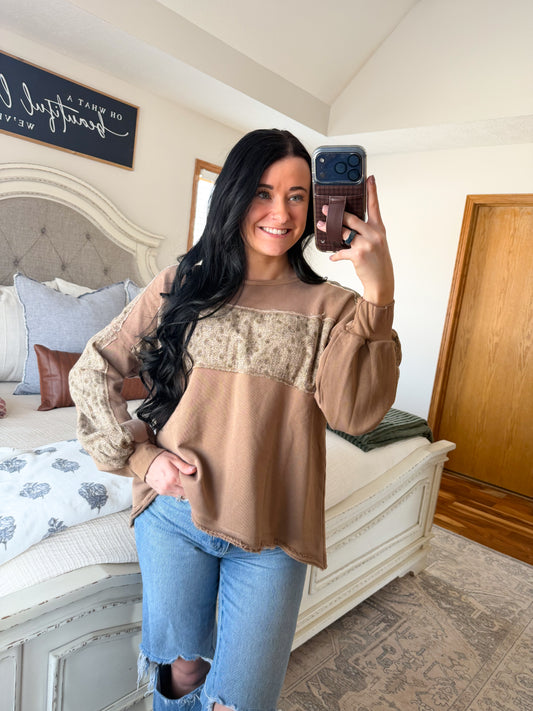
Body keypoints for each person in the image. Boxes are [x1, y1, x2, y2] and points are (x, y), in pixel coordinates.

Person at [69, 128, 400, 711]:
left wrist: (380, 293)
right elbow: (93, 368)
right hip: (176, 516)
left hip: (275, 530)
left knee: (240, 702)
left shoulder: (337, 308)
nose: (281, 213)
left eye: (298, 196)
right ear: (235, 195)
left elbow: (355, 414)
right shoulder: (181, 284)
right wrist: (142, 459)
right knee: (182, 673)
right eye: (264, 193)